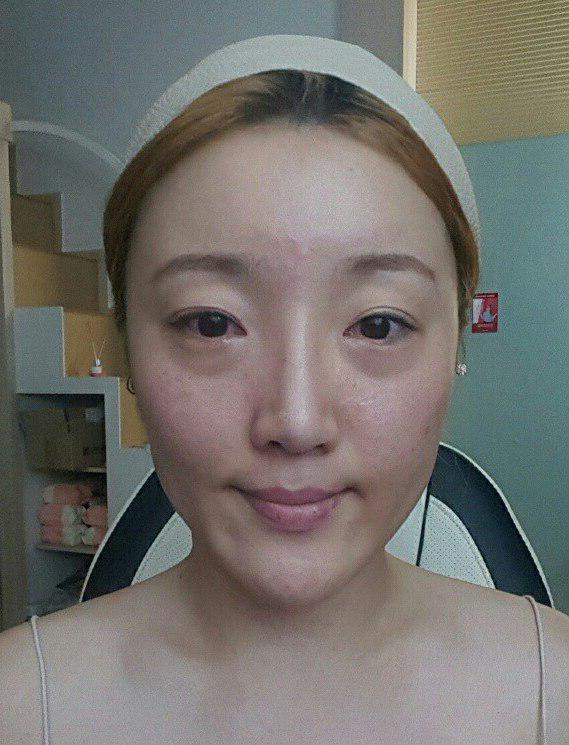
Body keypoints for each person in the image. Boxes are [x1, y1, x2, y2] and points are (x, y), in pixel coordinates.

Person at [1, 34, 568, 744]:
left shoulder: (554, 695)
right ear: (127, 349)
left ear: (456, 343)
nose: (296, 421)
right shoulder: (20, 708)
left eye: (378, 324)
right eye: (211, 323)